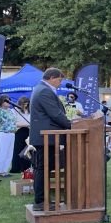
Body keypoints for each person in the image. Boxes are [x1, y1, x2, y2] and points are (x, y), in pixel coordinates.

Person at [30, 68, 74, 210]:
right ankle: (40, 202)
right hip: (45, 137)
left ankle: (43, 200)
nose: (60, 84)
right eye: (59, 80)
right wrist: (71, 125)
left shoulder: (41, 89)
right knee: (42, 169)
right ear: (52, 77)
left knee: (43, 169)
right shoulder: (44, 91)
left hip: (47, 136)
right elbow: (55, 114)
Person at [0, 95, 18, 177]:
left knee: (9, 153)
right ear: (1, 102)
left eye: (9, 100)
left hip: (11, 133)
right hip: (2, 133)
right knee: (2, 152)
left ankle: (5, 170)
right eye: (6, 101)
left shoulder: (11, 111)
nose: (8, 102)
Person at [10, 96, 32, 173]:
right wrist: (26, 124)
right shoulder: (15, 110)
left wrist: (27, 124)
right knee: (17, 150)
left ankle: (26, 167)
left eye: (27, 104)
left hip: (28, 131)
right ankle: (16, 168)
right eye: (24, 104)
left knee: (27, 150)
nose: (25, 106)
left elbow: (31, 121)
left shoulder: (30, 111)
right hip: (19, 131)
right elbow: (15, 122)